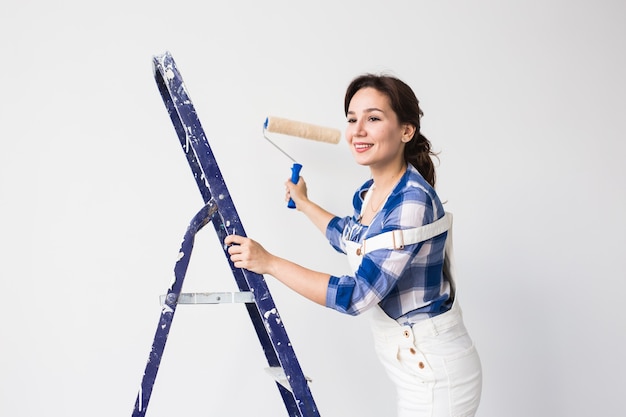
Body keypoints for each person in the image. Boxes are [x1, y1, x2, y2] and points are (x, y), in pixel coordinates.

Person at [224, 74, 482, 417]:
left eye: (373, 118)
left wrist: (269, 263)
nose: (357, 130)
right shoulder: (372, 193)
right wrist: (303, 203)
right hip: (414, 370)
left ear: (406, 131)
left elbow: (358, 296)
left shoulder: (412, 202)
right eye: (351, 119)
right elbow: (349, 237)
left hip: (436, 376)